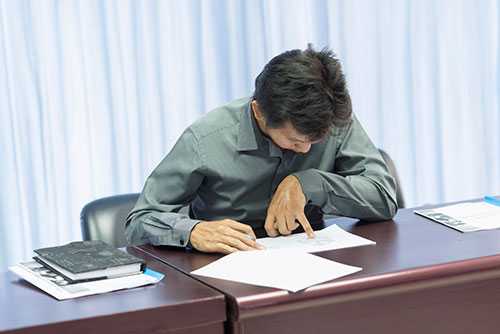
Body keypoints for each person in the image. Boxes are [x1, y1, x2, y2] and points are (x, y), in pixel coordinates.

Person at [125, 46, 398, 254]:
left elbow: (384, 198)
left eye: (315, 142)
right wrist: (193, 230)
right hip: (226, 266)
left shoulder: (331, 118)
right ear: (259, 112)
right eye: (294, 140)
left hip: (312, 256)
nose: (304, 150)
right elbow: (139, 220)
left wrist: (312, 183)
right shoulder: (206, 139)